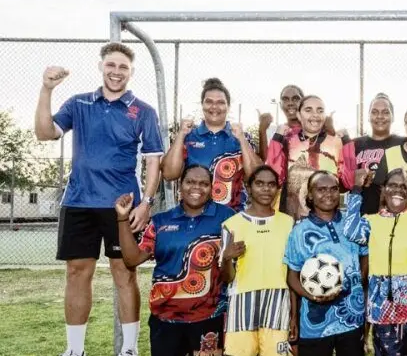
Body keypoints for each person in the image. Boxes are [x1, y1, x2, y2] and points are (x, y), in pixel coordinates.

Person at [34, 42, 163, 356]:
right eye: (111, 65)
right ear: (101, 67)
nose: (116, 72)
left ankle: (129, 349)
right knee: (77, 272)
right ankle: (75, 350)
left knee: (124, 272)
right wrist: (46, 89)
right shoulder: (79, 103)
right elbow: (45, 132)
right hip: (78, 201)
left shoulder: (142, 111)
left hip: (122, 205)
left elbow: (153, 160)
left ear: (130, 72)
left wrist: (146, 202)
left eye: (123, 67)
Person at [114, 165, 236, 356]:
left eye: (204, 183)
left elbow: (229, 275)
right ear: (180, 186)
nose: (196, 188)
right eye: (190, 182)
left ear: (212, 188)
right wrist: (122, 219)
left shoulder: (227, 218)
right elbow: (132, 259)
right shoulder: (161, 221)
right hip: (165, 320)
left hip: (209, 318)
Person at [342, 168, 407, 356]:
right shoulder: (371, 221)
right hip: (384, 313)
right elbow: (350, 230)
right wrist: (356, 189)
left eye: (404, 187)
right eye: (392, 185)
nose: (398, 190)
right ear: (383, 190)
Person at [283, 171, 368, 356]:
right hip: (315, 323)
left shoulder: (351, 224)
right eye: (321, 189)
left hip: (351, 318)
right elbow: (292, 276)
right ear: (310, 195)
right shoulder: (299, 231)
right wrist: (312, 296)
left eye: (333, 189)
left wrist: (356, 284)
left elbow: (364, 256)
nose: (328, 194)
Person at [220, 165, 297, 356]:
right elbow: (227, 278)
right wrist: (227, 258)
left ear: (277, 189)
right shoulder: (231, 225)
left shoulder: (288, 223)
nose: (266, 189)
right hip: (242, 302)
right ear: (248, 187)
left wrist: (293, 314)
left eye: (271, 185)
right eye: (260, 184)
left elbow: (292, 273)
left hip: (278, 302)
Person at [161, 78, 261, 212]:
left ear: (228, 107)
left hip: (232, 217)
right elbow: (169, 174)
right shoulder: (188, 137)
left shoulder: (242, 138)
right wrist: (180, 134)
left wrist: (242, 139)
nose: (214, 107)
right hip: (194, 217)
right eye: (209, 102)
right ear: (202, 105)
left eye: (220, 102)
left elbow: (258, 176)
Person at [267, 95, 346, 219]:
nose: (315, 115)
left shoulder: (337, 142)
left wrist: (347, 143)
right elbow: (273, 173)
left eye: (320, 110)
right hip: (291, 219)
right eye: (308, 110)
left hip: (327, 221)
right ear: (299, 115)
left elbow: (348, 181)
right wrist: (277, 138)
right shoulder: (287, 140)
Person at [340, 93, 405, 214]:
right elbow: (343, 184)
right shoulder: (355, 144)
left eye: (385, 112)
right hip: (359, 214)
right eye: (374, 112)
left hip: (392, 216)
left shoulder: (403, 143)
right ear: (368, 116)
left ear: (393, 117)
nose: (379, 116)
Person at [258, 84, 304, 160]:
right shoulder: (274, 132)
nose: (290, 103)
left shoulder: (313, 130)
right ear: (280, 105)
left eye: (295, 99)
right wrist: (262, 130)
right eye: (285, 99)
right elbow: (268, 162)